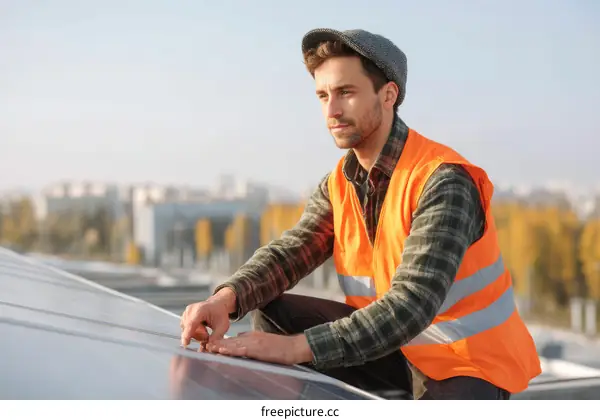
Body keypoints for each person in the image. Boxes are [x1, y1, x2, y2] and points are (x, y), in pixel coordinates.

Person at [180, 28, 542, 400]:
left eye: (346, 93)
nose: (331, 111)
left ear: (388, 95)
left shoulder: (444, 181)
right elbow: (292, 251)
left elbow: (410, 306)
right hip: (389, 348)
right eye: (323, 96)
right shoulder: (339, 182)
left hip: (466, 362)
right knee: (274, 312)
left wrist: (293, 349)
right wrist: (226, 299)